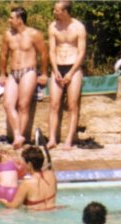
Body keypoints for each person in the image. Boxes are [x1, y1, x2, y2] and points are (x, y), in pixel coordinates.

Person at [0, 6, 48, 149]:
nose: (9, 20)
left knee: (23, 105)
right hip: (13, 72)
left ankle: (18, 138)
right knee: (8, 104)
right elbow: (3, 55)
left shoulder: (34, 34)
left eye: (11, 18)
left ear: (20, 19)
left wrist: (44, 73)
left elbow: (43, 54)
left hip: (28, 71)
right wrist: (2, 73)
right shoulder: (8, 35)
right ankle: (18, 135)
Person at [47, 0, 87, 150]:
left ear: (65, 12)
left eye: (57, 10)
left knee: (72, 104)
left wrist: (71, 72)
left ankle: (69, 139)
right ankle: (52, 138)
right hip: (58, 66)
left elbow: (81, 52)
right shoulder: (53, 27)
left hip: (73, 67)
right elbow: (52, 50)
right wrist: (55, 69)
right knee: (54, 104)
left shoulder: (79, 27)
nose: (54, 12)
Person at [0, 145, 58, 210]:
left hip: (36, 214)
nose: (22, 163)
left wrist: (2, 201)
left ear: (29, 164)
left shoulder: (26, 184)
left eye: (23, 161)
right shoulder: (51, 175)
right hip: (53, 210)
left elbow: (13, 206)